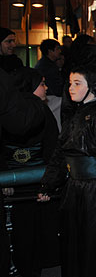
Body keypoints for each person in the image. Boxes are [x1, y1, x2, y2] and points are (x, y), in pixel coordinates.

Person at [38, 66, 96, 276]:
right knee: (73, 244)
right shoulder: (75, 114)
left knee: (92, 246)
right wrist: (48, 184)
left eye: (77, 84)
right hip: (74, 191)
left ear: (92, 87)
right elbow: (60, 153)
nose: (71, 89)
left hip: (94, 192)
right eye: (70, 84)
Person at [2, 67, 60, 276]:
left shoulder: (39, 111)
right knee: (22, 235)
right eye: (41, 84)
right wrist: (5, 178)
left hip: (39, 186)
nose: (45, 88)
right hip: (18, 190)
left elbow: (52, 147)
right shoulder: (14, 111)